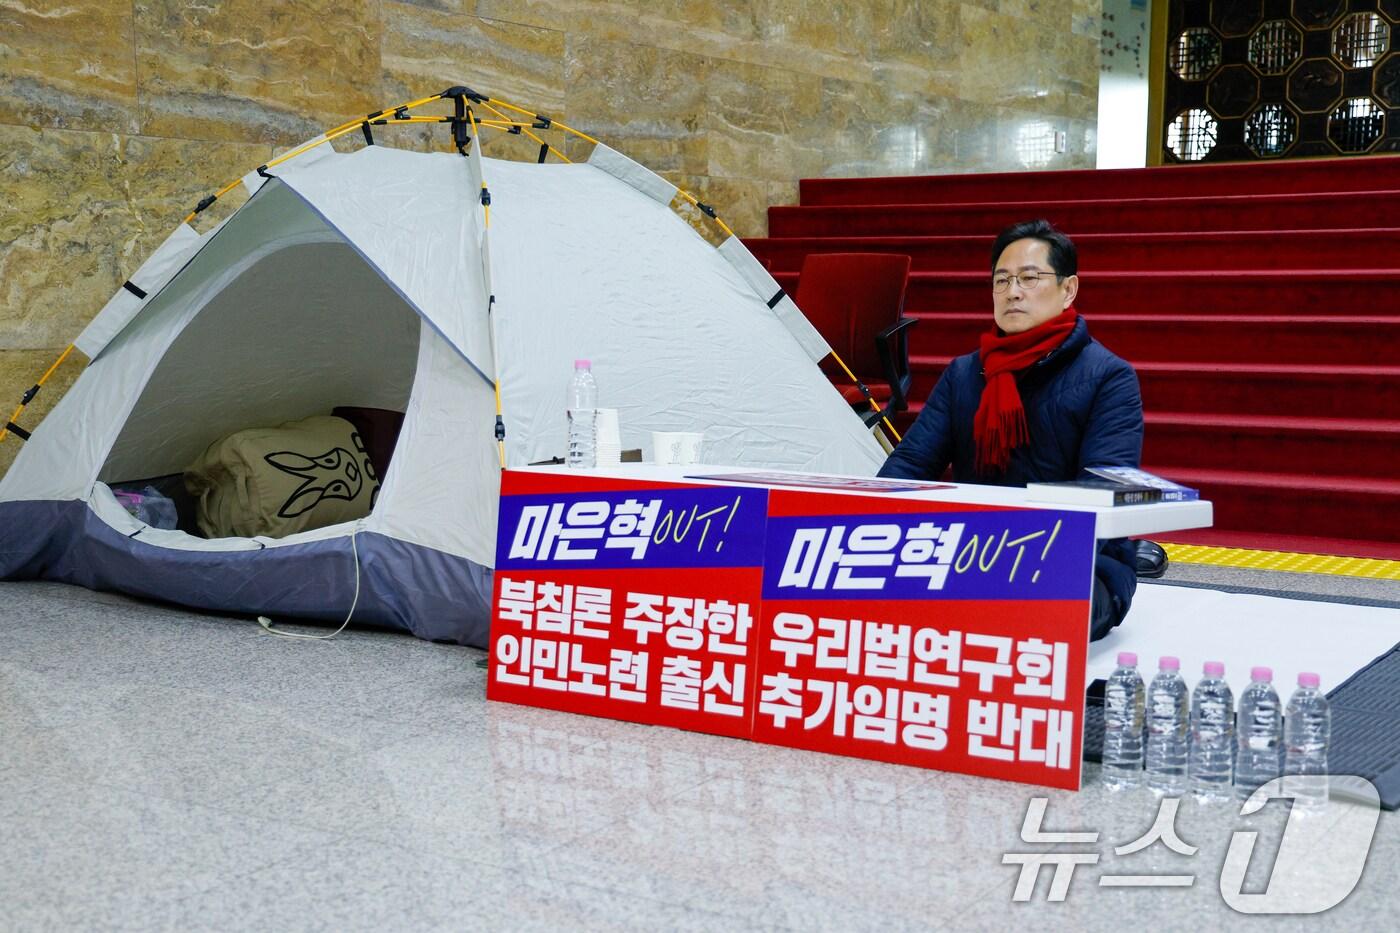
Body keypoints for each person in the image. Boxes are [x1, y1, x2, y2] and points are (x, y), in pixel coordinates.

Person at [878, 219, 1143, 640]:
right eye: (1001, 281)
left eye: (1029, 278)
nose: (1013, 291)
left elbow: (1104, 492)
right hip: (969, 550)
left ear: (1068, 290)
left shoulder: (1108, 377)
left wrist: (1014, 558)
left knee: (1030, 618)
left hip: (1077, 559)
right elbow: (910, 464)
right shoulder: (965, 373)